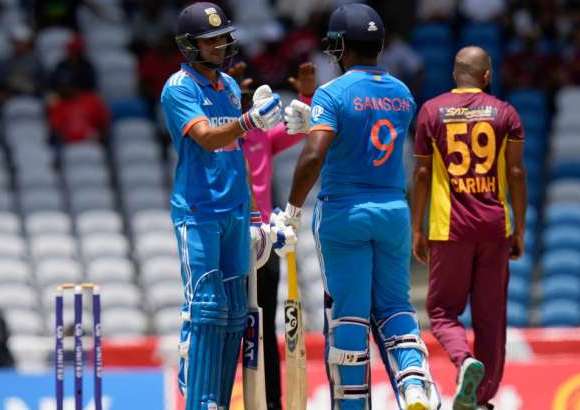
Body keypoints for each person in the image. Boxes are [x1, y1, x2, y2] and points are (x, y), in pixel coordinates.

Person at [276, 4, 441, 410]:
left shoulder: (333, 93)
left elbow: (316, 154)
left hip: (344, 213)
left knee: (348, 314)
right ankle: (415, 386)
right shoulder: (402, 93)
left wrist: (292, 210)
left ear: (338, 47)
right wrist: (314, 118)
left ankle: (352, 404)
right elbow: (363, 131)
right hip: (393, 212)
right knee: (396, 307)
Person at [159, 3, 285, 409]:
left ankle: (218, 400)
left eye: (222, 37)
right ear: (189, 45)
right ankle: (199, 398)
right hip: (198, 210)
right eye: (210, 39)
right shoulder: (178, 88)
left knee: (234, 313)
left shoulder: (229, 87)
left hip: (234, 211)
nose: (220, 44)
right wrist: (250, 120)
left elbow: (238, 153)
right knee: (208, 309)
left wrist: (253, 214)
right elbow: (208, 138)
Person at [411, 46, 527, 410]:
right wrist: (519, 228)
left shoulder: (431, 111)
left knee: (443, 311)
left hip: (449, 228)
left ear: (454, 75)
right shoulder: (505, 113)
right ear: (487, 76)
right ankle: (481, 399)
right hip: (495, 227)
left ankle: (464, 361)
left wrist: (417, 228)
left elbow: (423, 173)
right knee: (491, 318)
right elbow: (517, 173)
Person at [228, 60, 316, 410]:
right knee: (230, 328)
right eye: (240, 95)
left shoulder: (259, 135)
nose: (246, 100)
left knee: (264, 329)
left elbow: (301, 127)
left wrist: (306, 93)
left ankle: (273, 404)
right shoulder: (223, 136)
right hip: (230, 240)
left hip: (262, 242)